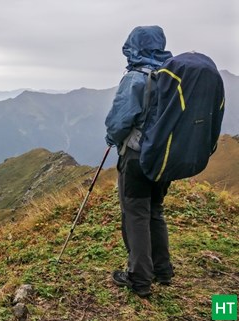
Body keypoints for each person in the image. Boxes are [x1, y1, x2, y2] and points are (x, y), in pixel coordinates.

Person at [105, 25, 175, 298]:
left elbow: (120, 121)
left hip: (136, 157)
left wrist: (111, 138)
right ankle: (163, 270)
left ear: (134, 46)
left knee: (135, 214)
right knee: (155, 211)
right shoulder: (172, 75)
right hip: (164, 158)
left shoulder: (136, 78)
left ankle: (139, 279)